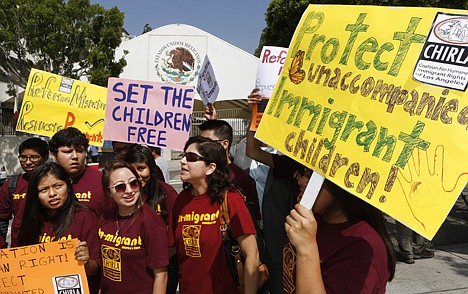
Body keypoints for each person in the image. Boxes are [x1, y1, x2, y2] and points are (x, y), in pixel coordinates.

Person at [168, 136, 259, 293]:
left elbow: (252, 254)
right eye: (183, 156)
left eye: (191, 158)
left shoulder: (229, 198)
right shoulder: (181, 200)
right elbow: (171, 249)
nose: (183, 161)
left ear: (210, 168)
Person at [284, 171, 396, 293]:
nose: (301, 181)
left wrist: (306, 248)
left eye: (313, 176)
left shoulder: (364, 248)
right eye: (306, 172)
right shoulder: (314, 221)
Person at [246, 88, 305, 294]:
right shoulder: (289, 163)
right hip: (281, 245)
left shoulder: (329, 168)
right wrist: (256, 112)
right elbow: (252, 151)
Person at [17, 162, 100, 294]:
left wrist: (86, 261)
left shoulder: (84, 216)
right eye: (44, 189)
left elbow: (94, 269)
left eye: (58, 186)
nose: (52, 194)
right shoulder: (30, 218)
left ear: (68, 186)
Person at [100, 161, 168, 293]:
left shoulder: (152, 222)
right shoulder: (105, 217)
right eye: (120, 187)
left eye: (134, 183)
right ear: (109, 192)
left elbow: (161, 275)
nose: (129, 191)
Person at [124, 145, 179, 294]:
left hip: (165, 266)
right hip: (133, 268)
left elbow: (176, 236)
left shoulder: (167, 194)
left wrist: (157, 259)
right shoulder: (121, 194)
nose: (137, 175)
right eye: (132, 170)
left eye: (141, 168)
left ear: (152, 169)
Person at [198, 119, 261, 222]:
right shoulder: (199, 175)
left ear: (225, 144)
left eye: (207, 143)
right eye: (199, 143)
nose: (201, 148)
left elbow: (252, 220)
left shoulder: (242, 180)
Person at [48, 127, 108, 217]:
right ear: (53, 155)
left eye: (80, 151)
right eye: (68, 152)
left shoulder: (102, 180)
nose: (75, 156)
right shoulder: (45, 181)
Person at [0, 137, 49, 247]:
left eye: (34, 157)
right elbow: (2, 219)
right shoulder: (11, 185)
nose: (28, 162)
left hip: (50, 248)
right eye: (23, 157)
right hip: (21, 250)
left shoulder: (55, 182)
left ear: (45, 158)